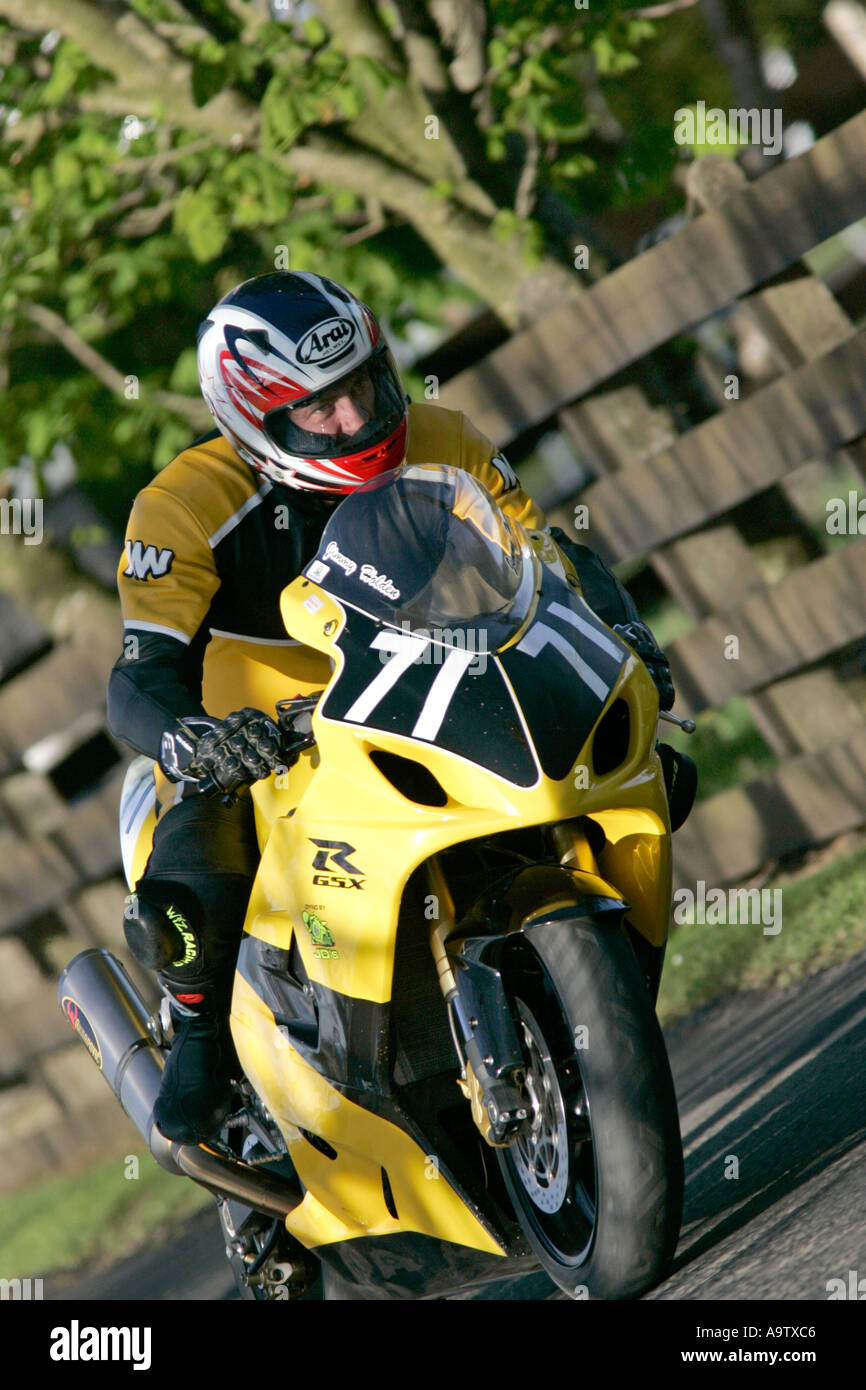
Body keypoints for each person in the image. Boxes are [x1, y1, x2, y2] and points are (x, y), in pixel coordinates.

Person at [107, 270, 679, 1145]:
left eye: (365, 387)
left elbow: (547, 565)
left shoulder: (444, 440)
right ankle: (198, 1050)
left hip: (429, 689)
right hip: (264, 743)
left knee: (651, 761)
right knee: (193, 864)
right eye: (318, 409)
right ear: (255, 419)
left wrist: (624, 634)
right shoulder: (182, 506)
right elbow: (137, 675)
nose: (353, 420)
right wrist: (197, 743)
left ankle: (599, 978)